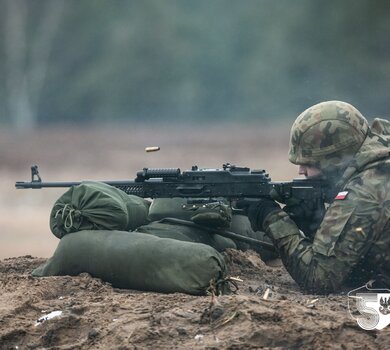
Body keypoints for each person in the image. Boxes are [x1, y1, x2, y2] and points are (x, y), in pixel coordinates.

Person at [243, 100, 390, 294]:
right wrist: (315, 224)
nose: (301, 170)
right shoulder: (379, 162)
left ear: (335, 160)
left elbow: (319, 279)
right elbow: (358, 262)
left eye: (309, 163)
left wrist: (272, 218)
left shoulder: (365, 192)